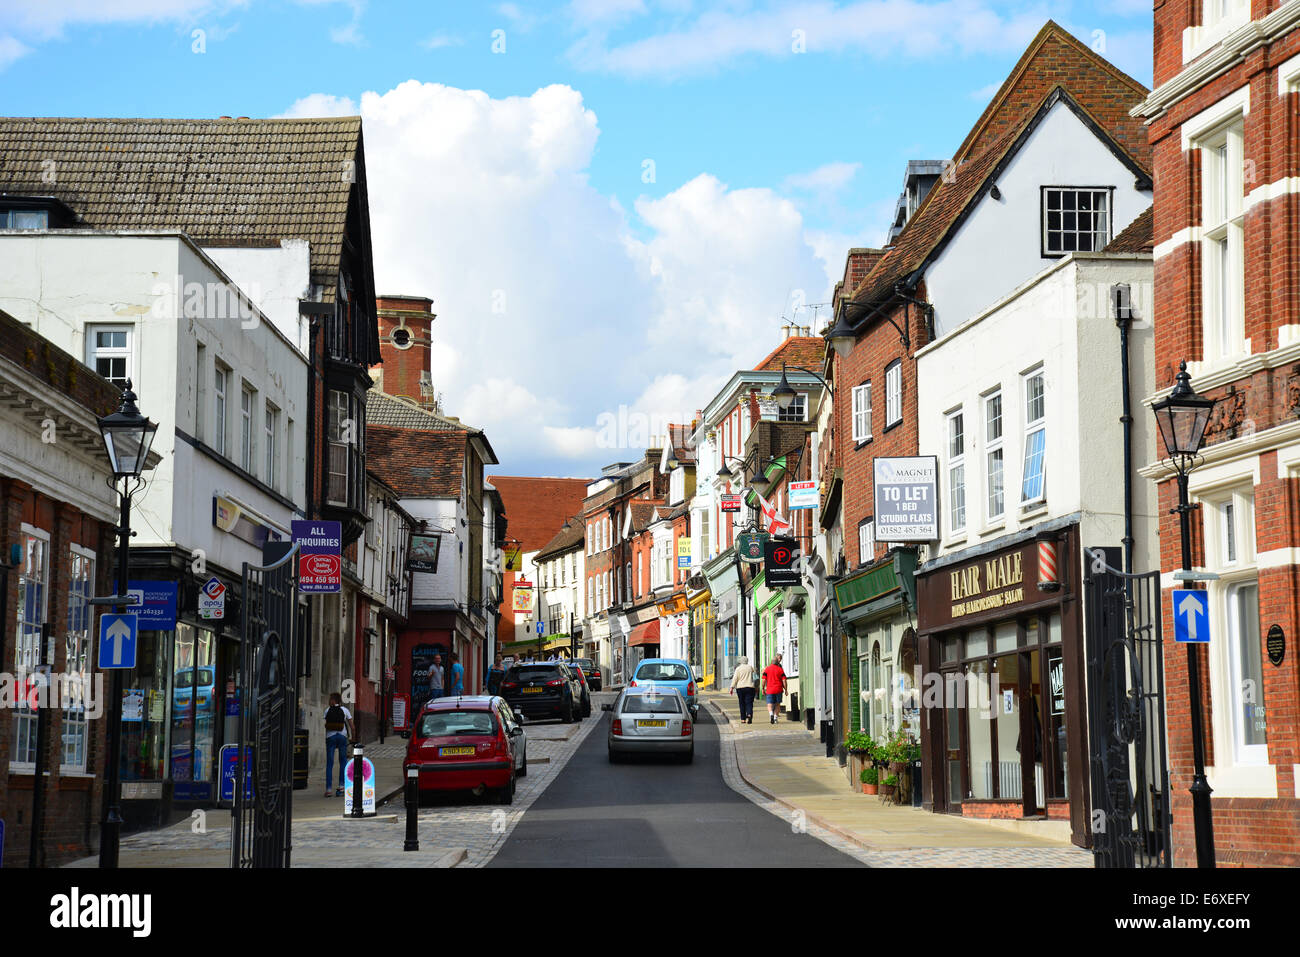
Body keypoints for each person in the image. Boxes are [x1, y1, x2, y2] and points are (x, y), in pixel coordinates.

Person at [323, 692, 354, 797]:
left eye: (330, 699)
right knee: (343, 762)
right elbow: (352, 726)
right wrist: (353, 738)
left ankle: (328, 789)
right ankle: (341, 787)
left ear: (333, 700)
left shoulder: (327, 710)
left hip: (330, 737)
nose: (329, 701)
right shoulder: (345, 710)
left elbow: (326, 723)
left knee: (330, 763)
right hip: (342, 737)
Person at [729, 656, 758, 724]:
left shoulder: (738, 669)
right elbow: (755, 677)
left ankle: (743, 719)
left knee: (742, 703)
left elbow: (735, 678)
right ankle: (749, 714)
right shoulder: (750, 668)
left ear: (740, 661)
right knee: (749, 702)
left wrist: (732, 687)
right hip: (750, 687)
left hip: (740, 688)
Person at [761, 654, 787, 724]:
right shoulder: (780, 669)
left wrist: (763, 688)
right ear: (777, 662)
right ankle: (775, 717)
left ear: (771, 662)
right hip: (778, 689)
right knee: (777, 704)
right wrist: (786, 689)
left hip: (770, 690)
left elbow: (763, 680)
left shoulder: (767, 669)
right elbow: (784, 680)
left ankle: (771, 714)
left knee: (769, 704)